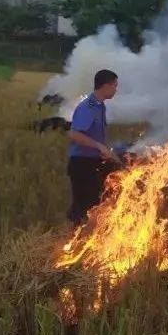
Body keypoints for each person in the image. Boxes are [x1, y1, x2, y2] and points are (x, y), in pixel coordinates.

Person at [66, 69, 123, 225]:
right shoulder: (88, 107)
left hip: (93, 163)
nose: (116, 90)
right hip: (81, 164)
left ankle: (85, 235)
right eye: (114, 86)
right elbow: (74, 134)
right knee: (83, 207)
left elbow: (97, 136)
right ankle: (74, 241)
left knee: (96, 202)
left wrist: (108, 152)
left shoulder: (100, 106)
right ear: (105, 86)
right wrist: (98, 146)